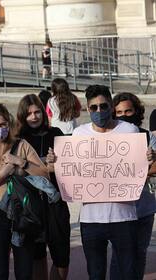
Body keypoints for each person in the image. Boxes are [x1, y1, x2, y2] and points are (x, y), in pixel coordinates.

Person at [47, 85, 151, 280]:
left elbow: (140, 167)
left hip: (124, 217)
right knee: (95, 274)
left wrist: (148, 157)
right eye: (93, 107)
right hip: (91, 220)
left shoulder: (130, 131)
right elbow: (67, 169)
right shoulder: (78, 135)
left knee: (127, 273)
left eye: (103, 106)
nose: (99, 111)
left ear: (111, 106)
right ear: (87, 109)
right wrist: (54, 161)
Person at [0, 103, 49, 279]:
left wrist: (22, 163)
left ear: (9, 124)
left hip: (22, 211)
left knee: (24, 270)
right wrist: (3, 174)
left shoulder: (22, 145)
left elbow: (44, 176)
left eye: (3, 124)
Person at [16, 94, 71, 280]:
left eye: (37, 111)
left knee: (61, 255)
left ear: (43, 112)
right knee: (37, 255)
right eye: (29, 113)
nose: (34, 117)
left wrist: (55, 164)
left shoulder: (55, 134)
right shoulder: (18, 138)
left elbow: (68, 166)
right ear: (22, 116)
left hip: (56, 203)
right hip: (30, 206)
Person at [110, 92, 156, 280]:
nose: (124, 116)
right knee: (119, 255)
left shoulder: (146, 136)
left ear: (137, 111)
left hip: (143, 208)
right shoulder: (107, 139)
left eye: (128, 111)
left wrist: (140, 173)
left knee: (139, 253)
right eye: (119, 112)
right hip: (118, 209)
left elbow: (155, 165)